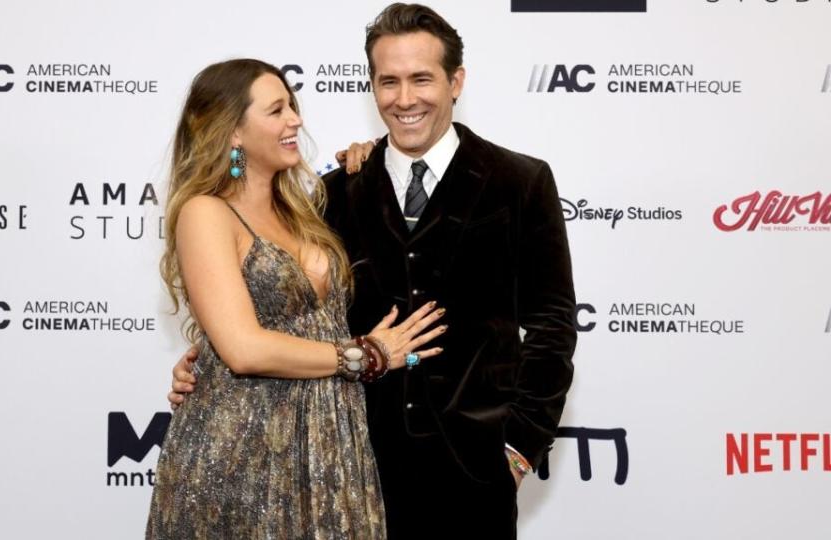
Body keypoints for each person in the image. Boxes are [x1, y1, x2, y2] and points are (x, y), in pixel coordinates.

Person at [169, 4, 577, 537]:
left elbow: (552, 327)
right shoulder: (332, 194)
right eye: (389, 82)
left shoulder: (520, 181)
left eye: (421, 79)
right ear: (372, 87)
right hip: (348, 466)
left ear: (456, 82)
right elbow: (279, 304)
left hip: (474, 474)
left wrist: (518, 450)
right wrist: (207, 357)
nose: (404, 99)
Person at [145, 58, 447, 539]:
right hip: (244, 451)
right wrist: (366, 355)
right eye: (276, 110)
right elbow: (243, 350)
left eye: (293, 106)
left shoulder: (308, 207)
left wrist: (371, 159)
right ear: (233, 132)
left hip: (331, 443)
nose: (296, 120)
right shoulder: (207, 213)